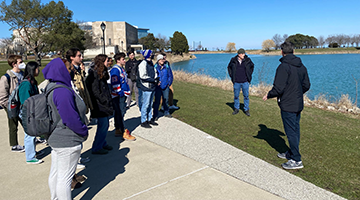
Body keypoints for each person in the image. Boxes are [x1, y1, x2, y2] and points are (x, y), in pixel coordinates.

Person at [43, 58, 88, 199]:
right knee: (64, 179)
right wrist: (83, 131)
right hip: (67, 140)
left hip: (57, 137)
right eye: (69, 68)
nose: (72, 71)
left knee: (56, 174)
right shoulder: (62, 91)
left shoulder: (52, 86)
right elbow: (70, 118)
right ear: (61, 70)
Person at [262, 42, 310, 170]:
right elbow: (306, 85)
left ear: (282, 52)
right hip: (297, 103)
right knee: (295, 129)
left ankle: (296, 159)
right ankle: (291, 152)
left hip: (288, 104)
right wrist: (297, 93)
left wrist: (269, 95)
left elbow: (278, 88)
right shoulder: (301, 66)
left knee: (291, 132)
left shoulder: (283, 67)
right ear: (293, 51)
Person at [86, 54, 114, 154]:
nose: (109, 62)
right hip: (99, 105)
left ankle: (102, 142)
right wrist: (104, 100)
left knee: (105, 125)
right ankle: (97, 147)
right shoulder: (93, 74)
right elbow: (95, 91)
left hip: (104, 104)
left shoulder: (101, 72)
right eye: (107, 61)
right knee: (103, 125)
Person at [18, 61, 44, 164]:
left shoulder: (32, 82)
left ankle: (32, 151)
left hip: (32, 110)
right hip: (27, 111)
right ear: (33, 69)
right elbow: (25, 101)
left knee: (33, 132)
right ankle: (30, 157)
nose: (39, 70)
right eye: (37, 68)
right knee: (29, 134)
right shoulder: (26, 84)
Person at [0, 55, 25, 152]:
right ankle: (14, 145)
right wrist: (8, 105)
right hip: (11, 104)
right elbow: (2, 95)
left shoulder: (23, 74)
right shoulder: (6, 78)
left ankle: (33, 138)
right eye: (20, 62)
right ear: (14, 64)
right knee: (13, 124)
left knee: (26, 121)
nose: (22, 63)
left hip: (21, 103)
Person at [110, 52, 135, 140]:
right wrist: (120, 92)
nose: (124, 61)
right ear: (118, 60)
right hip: (118, 95)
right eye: (123, 59)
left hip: (122, 94)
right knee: (120, 113)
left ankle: (118, 129)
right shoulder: (115, 69)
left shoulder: (122, 69)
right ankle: (124, 131)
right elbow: (115, 82)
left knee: (119, 113)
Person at [227, 48, 254, 116]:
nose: (244, 55)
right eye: (242, 54)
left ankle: (246, 109)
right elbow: (229, 68)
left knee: (246, 96)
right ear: (239, 54)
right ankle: (236, 109)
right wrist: (232, 76)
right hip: (236, 82)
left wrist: (249, 75)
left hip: (245, 82)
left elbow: (252, 66)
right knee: (236, 96)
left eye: (244, 53)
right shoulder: (233, 60)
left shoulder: (248, 60)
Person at [137, 49, 158, 128]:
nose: (152, 54)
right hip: (146, 86)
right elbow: (143, 76)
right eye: (151, 53)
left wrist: (156, 79)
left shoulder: (151, 63)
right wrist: (153, 80)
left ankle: (149, 119)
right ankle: (143, 120)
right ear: (148, 55)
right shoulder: (143, 64)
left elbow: (155, 72)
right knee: (145, 104)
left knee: (150, 104)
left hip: (152, 86)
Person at [152, 54, 173, 121]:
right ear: (158, 60)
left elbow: (170, 75)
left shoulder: (166, 66)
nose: (162, 61)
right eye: (161, 60)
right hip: (158, 87)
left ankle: (166, 112)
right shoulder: (155, 67)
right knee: (157, 101)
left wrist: (168, 83)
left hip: (165, 86)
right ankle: (155, 115)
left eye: (163, 59)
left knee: (166, 99)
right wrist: (156, 83)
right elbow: (153, 76)